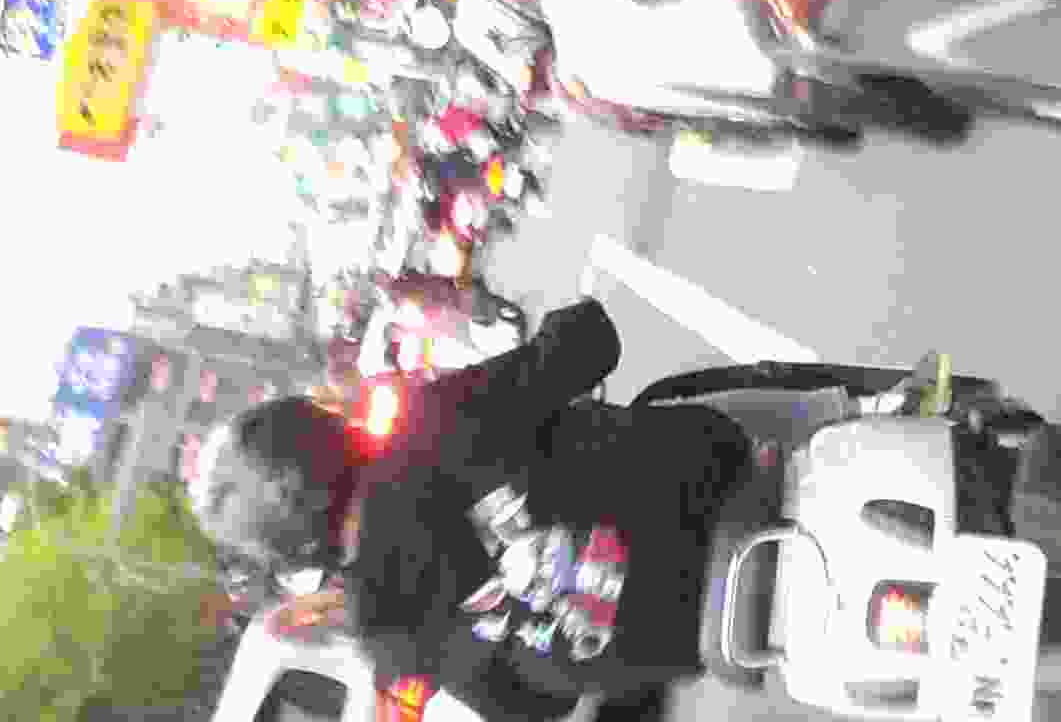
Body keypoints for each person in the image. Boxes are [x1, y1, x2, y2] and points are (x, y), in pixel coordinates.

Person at [194, 297, 759, 716]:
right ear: (316, 426)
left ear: (288, 548)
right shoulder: (424, 421)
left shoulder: (382, 633)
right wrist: (564, 327)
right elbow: (593, 344)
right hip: (718, 485)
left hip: (689, 641)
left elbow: (528, 707)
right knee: (704, 414)